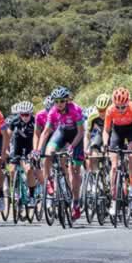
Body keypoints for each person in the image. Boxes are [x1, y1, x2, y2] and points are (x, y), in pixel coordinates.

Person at [35, 86, 85, 220]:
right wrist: (37, 150)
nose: (59, 104)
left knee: (74, 170)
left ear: (67, 100)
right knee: (48, 153)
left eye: (62, 101)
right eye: (56, 101)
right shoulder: (52, 112)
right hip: (62, 133)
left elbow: (81, 132)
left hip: (76, 137)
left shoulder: (76, 110)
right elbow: (46, 132)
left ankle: (75, 203)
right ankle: (49, 181)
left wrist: (72, 146)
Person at [103, 87, 132, 215]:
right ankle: (114, 199)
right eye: (118, 107)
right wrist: (105, 144)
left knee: (131, 155)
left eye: (123, 107)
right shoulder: (110, 110)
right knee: (114, 166)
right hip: (117, 131)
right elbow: (106, 130)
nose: (120, 110)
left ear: (128, 103)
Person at [6, 101, 41, 200]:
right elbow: (7, 137)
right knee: (12, 170)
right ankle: (16, 189)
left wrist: (37, 150)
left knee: (29, 170)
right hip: (18, 146)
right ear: (19, 114)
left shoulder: (35, 121)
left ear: (31, 114)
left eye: (27, 115)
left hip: (31, 147)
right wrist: (4, 150)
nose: (25, 117)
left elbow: (39, 136)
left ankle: (31, 194)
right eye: (22, 114)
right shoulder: (14, 121)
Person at [84, 94, 111, 172]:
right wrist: (85, 149)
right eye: (99, 110)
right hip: (100, 133)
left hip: (113, 135)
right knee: (93, 152)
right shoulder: (92, 117)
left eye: (104, 110)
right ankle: (97, 177)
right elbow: (87, 135)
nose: (102, 113)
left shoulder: (114, 115)